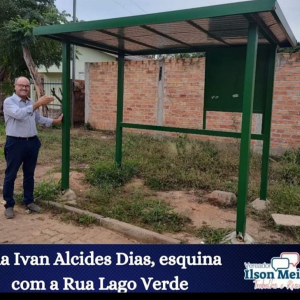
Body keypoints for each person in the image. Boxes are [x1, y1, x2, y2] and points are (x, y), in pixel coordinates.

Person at [2, 76, 63, 219]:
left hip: (32, 142)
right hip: (15, 143)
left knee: (29, 174)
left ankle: (28, 201)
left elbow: (38, 119)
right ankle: (9, 205)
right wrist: (38, 103)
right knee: (11, 174)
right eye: (21, 86)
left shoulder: (30, 102)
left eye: (26, 86)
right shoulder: (9, 102)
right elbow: (19, 114)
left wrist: (55, 121)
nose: (24, 88)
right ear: (15, 86)